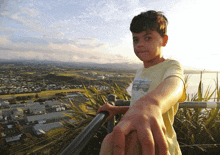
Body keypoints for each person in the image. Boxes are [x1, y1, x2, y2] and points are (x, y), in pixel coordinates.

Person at [97, 10, 186, 155]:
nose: (140, 45)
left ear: (164, 40)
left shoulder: (171, 66)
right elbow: (138, 107)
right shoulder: (139, 71)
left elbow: (175, 84)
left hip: (161, 144)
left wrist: (153, 103)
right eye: (135, 39)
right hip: (137, 141)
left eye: (148, 38)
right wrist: (117, 109)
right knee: (109, 140)